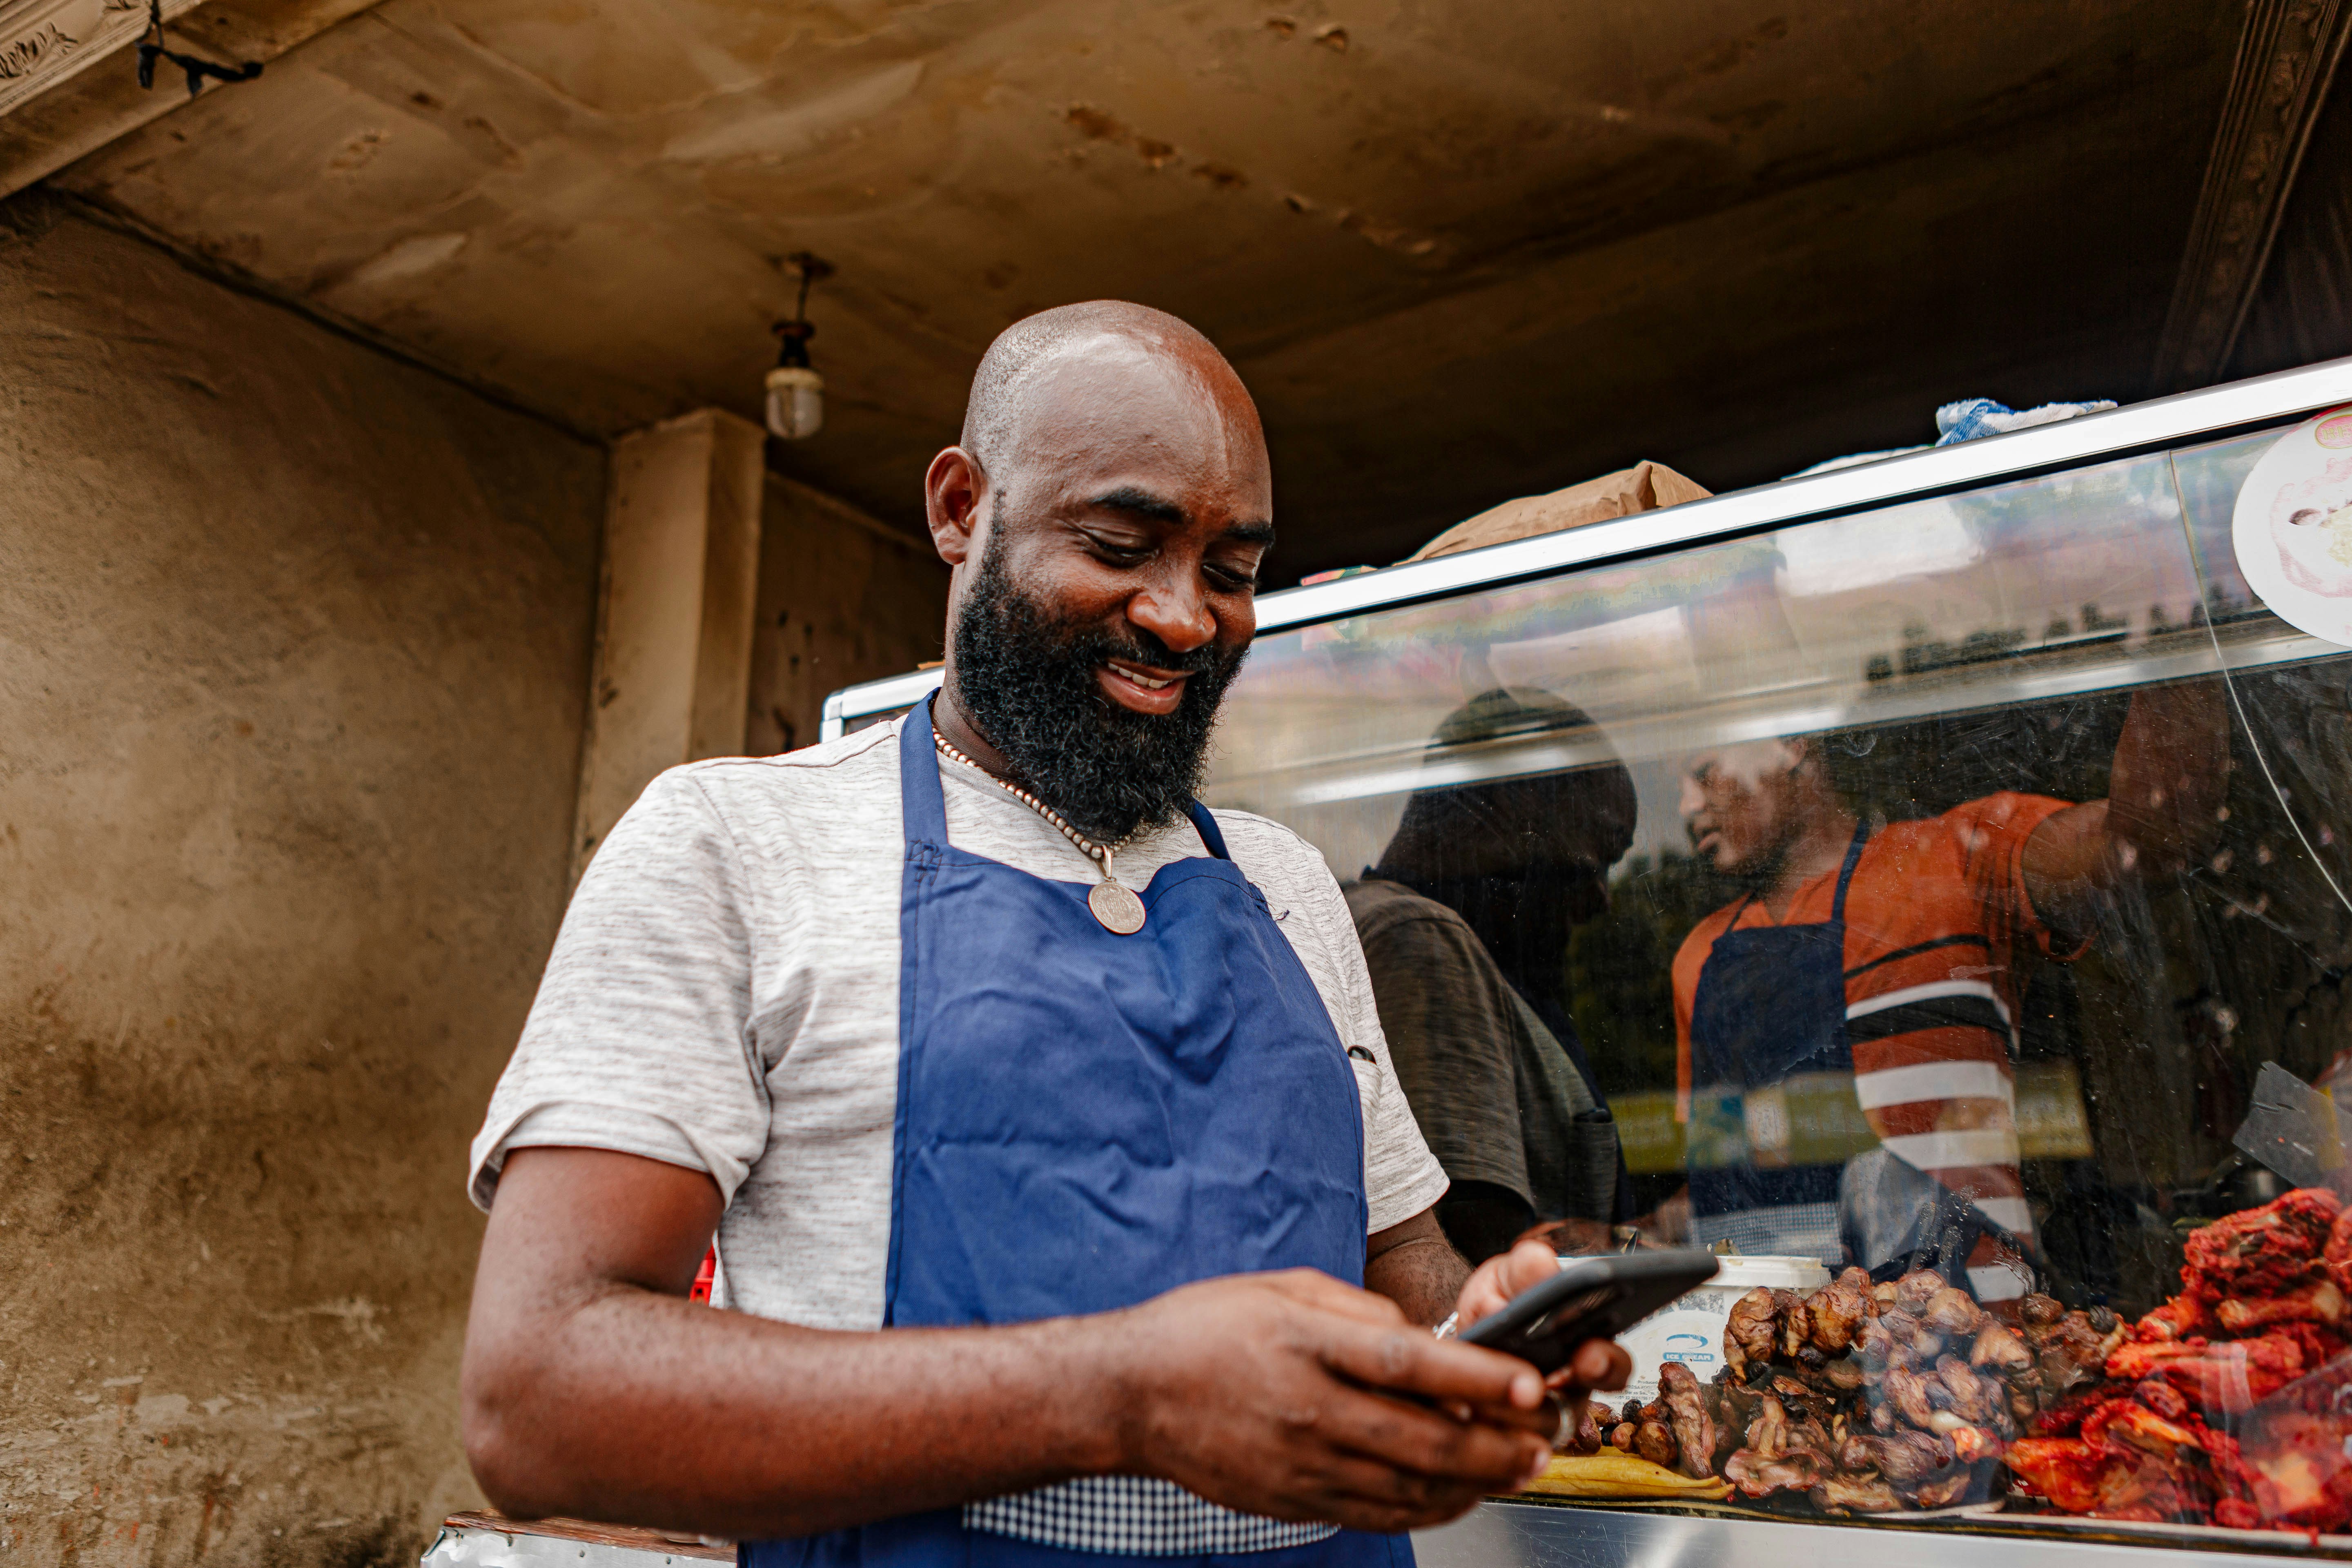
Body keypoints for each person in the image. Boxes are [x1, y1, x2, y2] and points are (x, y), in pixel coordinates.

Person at [459, 302, 1628, 1564]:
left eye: (1233, 573)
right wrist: (1122, 1395)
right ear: (962, 508)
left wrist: (1488, 1347)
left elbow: (1409, 1290)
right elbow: (541, 1397)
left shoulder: (1287, 888)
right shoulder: (733, 848)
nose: (1186, 619)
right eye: (1123, 543)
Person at [1668, 682, 2227, 1294]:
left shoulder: (1957, 859)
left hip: (1972, 1329)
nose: (1686, 805)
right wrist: (1636, 1229)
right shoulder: (1698, 957)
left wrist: (2178, 655)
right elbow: (1723, 1166)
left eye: (1704, 772)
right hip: (1771, 1350)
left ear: (1794, 745)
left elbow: (2152, 841)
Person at [1345, 688, 1640, 1265]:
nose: (1602, 898)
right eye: (1599, 854)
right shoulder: (1421, 941)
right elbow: (1475, 1247)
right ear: (1514, 813)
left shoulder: (1387, 926)